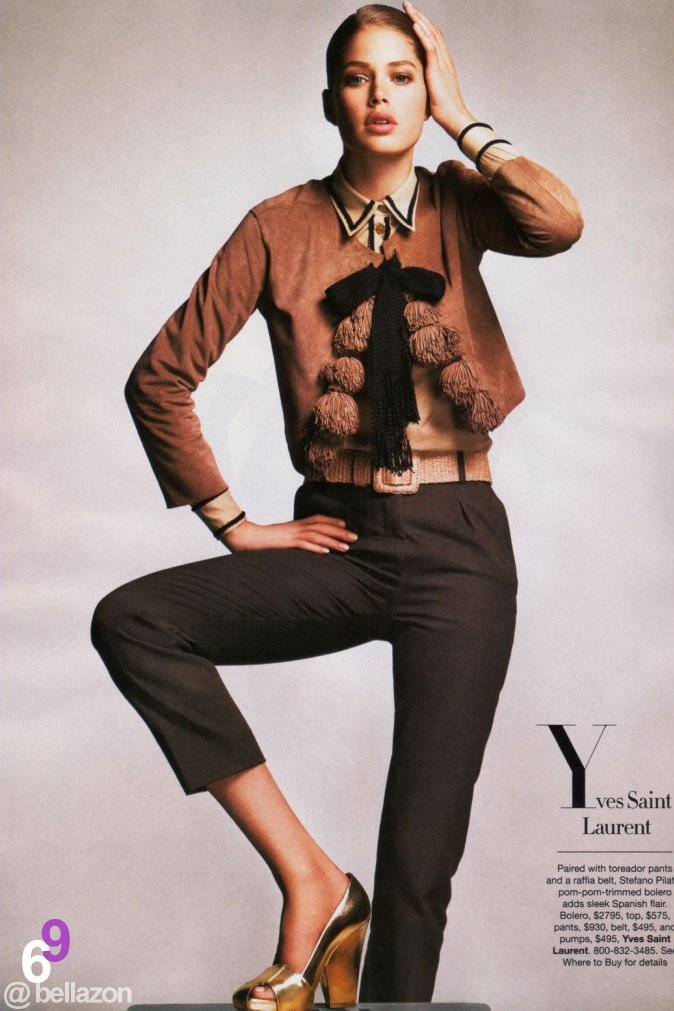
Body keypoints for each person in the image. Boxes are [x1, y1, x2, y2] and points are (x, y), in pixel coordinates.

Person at [91, 2, 583, 1008]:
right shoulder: (278, 227)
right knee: (135, 622)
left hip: (460, 547)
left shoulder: (460, 204)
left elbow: (558, 222)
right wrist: (234, 522)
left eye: (402, 75)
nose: (380, 96)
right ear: (331, 101)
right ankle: (312, 878)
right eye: (360, 77)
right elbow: (160, 378)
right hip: (344, 539)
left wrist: (461, 116)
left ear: (423, 92)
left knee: (418, 866)